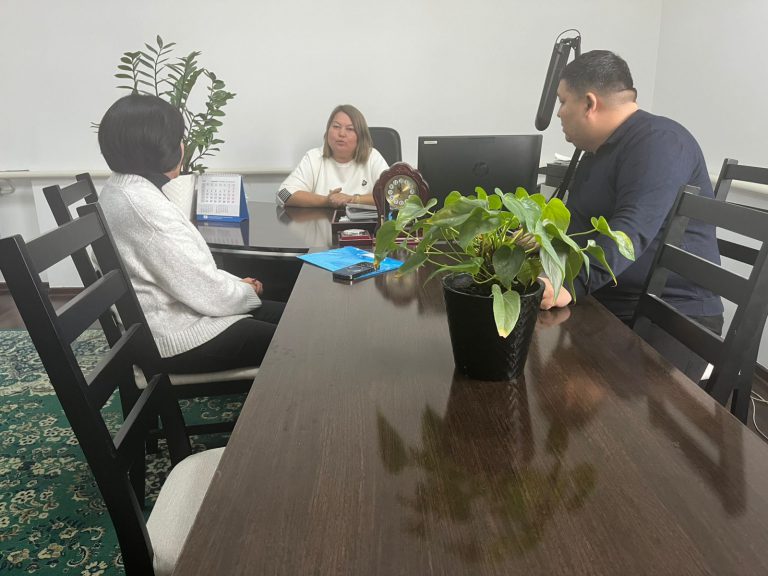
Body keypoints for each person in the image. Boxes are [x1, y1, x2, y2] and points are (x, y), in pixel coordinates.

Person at [539, 50, 723, 379]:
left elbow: (629, 231)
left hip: (673, 315)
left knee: (572, 389)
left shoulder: (660, 141)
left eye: (563, 101)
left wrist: (570, 283)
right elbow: (575, 225)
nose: (558, 113)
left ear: (589, 103)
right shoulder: (598, 153)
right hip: (612, 299)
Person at [97, 93, 284, 373]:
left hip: (171, 319)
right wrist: (245, 290)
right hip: (178, 337)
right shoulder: (144, 207)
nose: (182, 145)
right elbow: (208, 293)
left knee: (296, 318)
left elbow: (188, 276)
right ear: (164, 149)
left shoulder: (121, 190)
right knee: (304, 338)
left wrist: (236, 284)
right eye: (178, 139)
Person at [276, 104, 389, 208]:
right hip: (322, 223)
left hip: (365, 223)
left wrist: (353, 199)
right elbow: (283, 193)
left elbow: (393, 195)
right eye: (336, 126)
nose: (341, 134)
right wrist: (326, 201)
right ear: (327, 131)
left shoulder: (372, 157)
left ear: (361, 136)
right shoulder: (313, 157)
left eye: (350, 129)